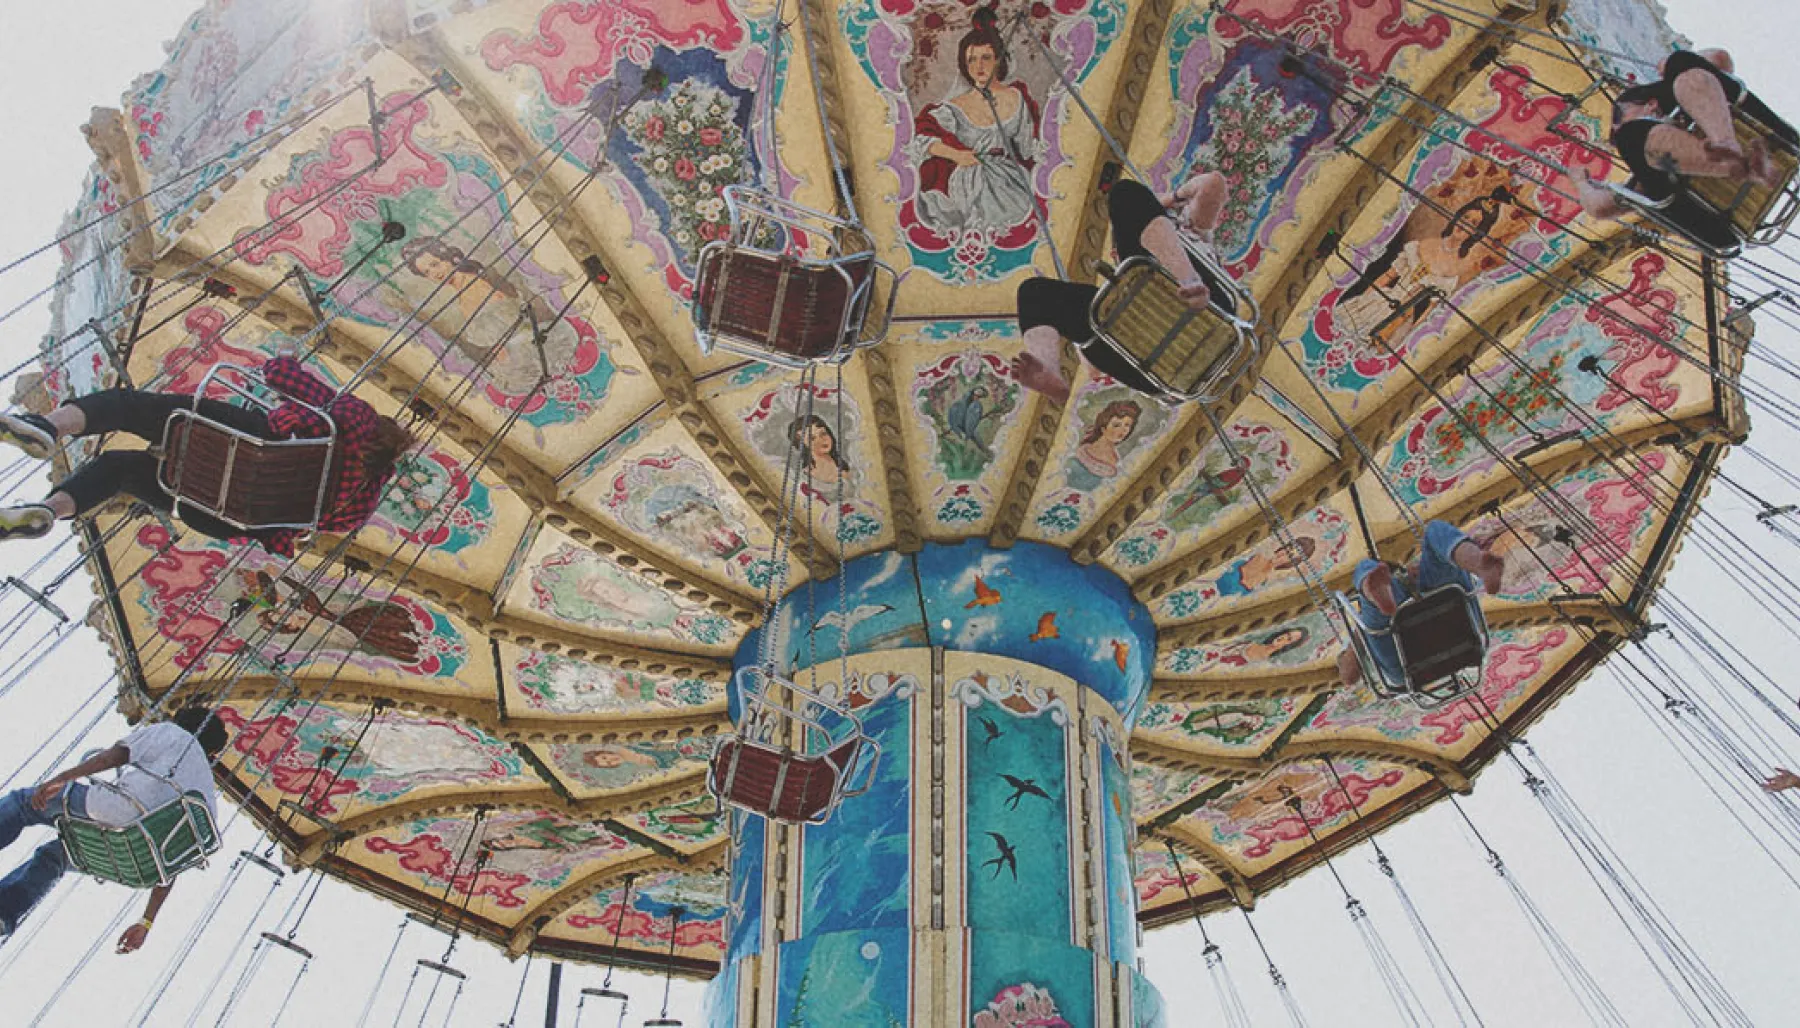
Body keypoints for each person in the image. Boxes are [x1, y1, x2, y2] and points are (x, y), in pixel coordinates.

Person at [0, 344, 414, 557]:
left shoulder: (358, 420)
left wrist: (277, 367)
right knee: (119, 470)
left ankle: (47, 427)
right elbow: (304, 526)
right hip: (220, 512)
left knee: (126, 407)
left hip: (228, 443)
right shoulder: (360, 508)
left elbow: (285, 377)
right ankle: (49, 511)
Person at [0, 705, 227, 951]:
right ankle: (4, 915)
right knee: (57, 855)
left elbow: (113, 757)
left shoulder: (172, 734)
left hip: (117, 811)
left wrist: (63, 778)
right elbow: (172, 861)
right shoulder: (206, 795)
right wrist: (147, 921)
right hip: (136, 858)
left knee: (24, 803)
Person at [1013, 172, 1236, 403]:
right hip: (1141, 327)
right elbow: (1093, 372)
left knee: (1124, 193)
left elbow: (1213, 183)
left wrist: (1169, 200)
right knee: (1034, 293)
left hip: (1205, 308)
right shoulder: (1131, 268)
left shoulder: (1193, 228)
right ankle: (1048, 370)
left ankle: (1188, 282)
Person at [1573, 48, 1795, 251]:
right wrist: (1581, 183)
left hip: (1754, 135)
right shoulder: (1644, 171)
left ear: (1650, 105)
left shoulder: (1670, 93)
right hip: (1712, 216)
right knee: (1638, 150)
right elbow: (1600, 208)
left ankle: (1725, 148)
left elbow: (1719, 59)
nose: (1617, 134)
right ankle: (1728, 156)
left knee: (1679, 65)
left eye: (1619, 120)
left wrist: (1667, 63)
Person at [914, 7, 1041, 234]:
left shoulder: (1017, 98)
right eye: (971, 60)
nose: (979, 67)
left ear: (998, 60)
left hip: (1010, 179)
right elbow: (922, 138)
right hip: (969, 182)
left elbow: (1029, 149)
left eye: (986, 58)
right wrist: (957, 155)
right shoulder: (956, 106)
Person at [1336, 519, 1505, 689]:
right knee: (1365, 568)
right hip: (1408, 658)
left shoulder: (1420, 582)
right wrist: (1361, 625)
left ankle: (1478, 562)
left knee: (1434, 530)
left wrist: (1414, 582)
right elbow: (1349, 676)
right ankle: (1377, 593)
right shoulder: (1360, 627)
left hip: (1444, 621)